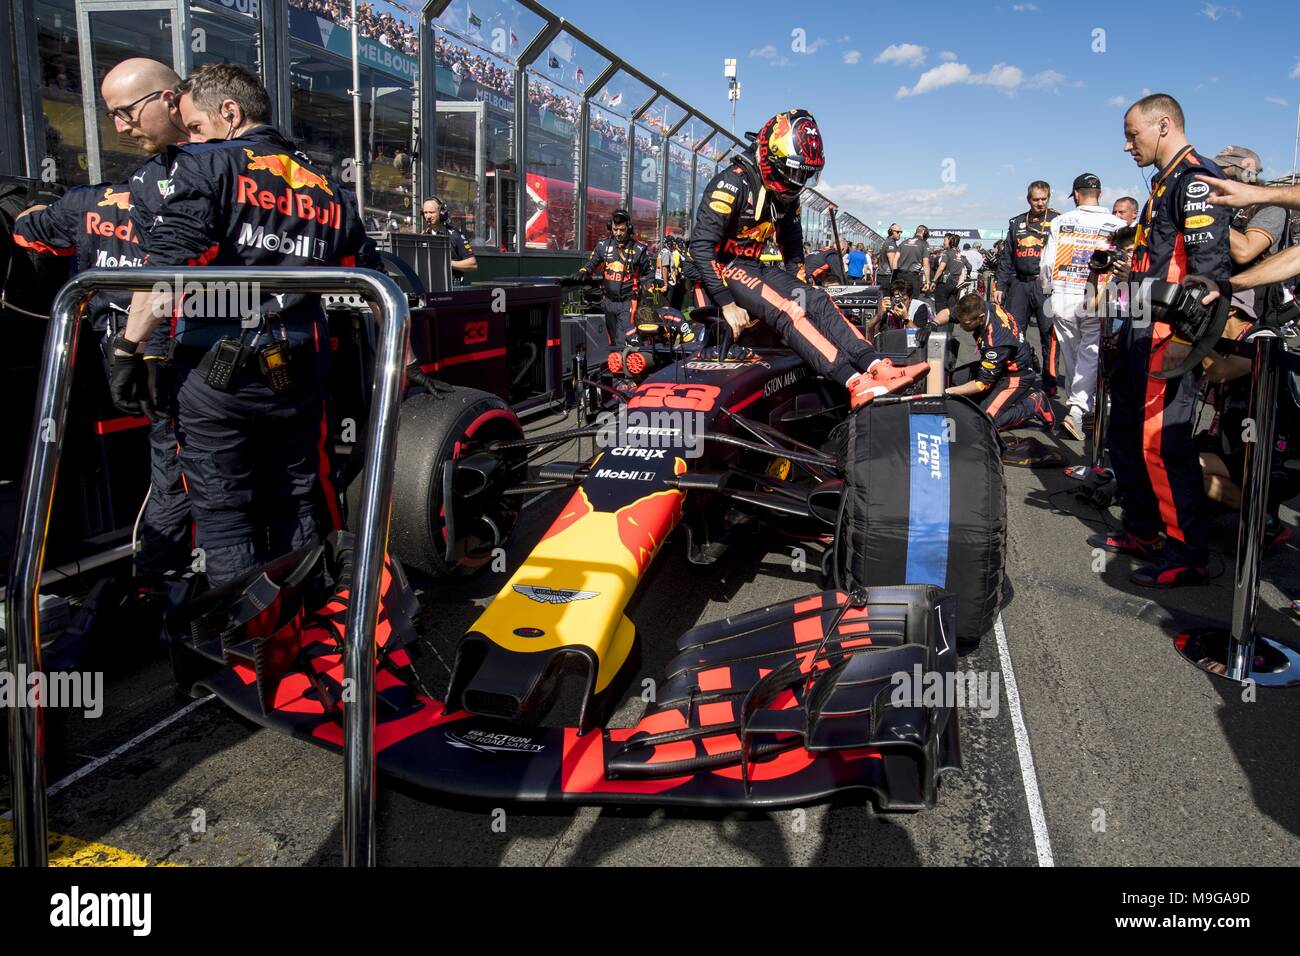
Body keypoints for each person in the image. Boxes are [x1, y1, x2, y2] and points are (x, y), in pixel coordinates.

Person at [112, 63, 382, 588]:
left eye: (194, 127)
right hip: (300, 360)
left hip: (218, 367)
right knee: (297, 491)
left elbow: (167, 269)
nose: (190, 139)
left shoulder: (206, 164)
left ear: (229, 114)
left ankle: (248, 648)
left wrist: (128, 348)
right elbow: (369, 279)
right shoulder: (325, 181)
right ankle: (303, 623)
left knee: (223, 508)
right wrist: (407, 366)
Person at [15, 57, 193, 582]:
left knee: (170, 464)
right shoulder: (181, 191)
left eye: (125, 113)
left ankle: (159, 580)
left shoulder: (83, 203)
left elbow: (28, 232)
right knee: (174, 465)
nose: (120, 126)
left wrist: (32, 211)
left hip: (129, 352)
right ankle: (165, 576)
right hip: (169, 347)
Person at [685, 108, 926, 408]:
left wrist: (801, 284)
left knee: (816, 300)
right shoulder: (732, 184)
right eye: (794, 171)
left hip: (753, 266)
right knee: (789, 311)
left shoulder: (785, 194)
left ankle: (876, 365)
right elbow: (701, 246)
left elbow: (793, 244)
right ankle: (855, 382)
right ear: (771, 157)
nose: (798, 180)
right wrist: (726, 303)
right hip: (722, 268)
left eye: (804, 174)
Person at [1088, 93, 1231, 589]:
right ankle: (1144, 530)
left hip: (1165, 337)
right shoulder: (1164, 181)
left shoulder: (1195, 179)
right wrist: (1117, 315)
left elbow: (1208, 275)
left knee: (1161, 445)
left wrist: (1180, 340)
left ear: (1164, 124)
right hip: (1139, 329)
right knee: (1125, 434)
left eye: (1133, 135)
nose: (1128, 145)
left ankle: (1187, 553)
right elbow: (1154, 267)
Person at [1039, 173, 1125, 440]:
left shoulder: (1061, 221)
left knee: (1072, 352)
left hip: (1063, 294)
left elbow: (1046, 264)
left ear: (1076, 194)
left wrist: (1047, 288)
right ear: (1099, 193)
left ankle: (1081, 405)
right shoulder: (1117, 223)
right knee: (1091, 351)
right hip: (1098, 294)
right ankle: (1082, 406)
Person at [945, 293, 1054, 431]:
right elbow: (949, 313)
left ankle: (1034, 404)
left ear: (980, 318)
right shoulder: (980, 306)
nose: (960, 326)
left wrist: (951, 391)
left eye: (965, 323)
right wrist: (932, 324)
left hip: (1016, 375)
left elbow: (982, 383)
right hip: (999, 364)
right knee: (953, 378)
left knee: (986, 422)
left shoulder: (996, 341)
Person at [995, 181, 1059, 393]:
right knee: (1014, 332)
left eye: (1044, 199)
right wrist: (1000, 285)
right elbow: (1007, 257)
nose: (1040, 203)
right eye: (1036, 199)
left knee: (1048, 333)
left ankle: (1050, 381)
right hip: (1020, 284)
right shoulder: (1017, 222)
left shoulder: (1059, 220)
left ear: (1049, 198)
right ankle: (1017, 375)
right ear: (1028, 199)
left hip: (1046, 286)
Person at [1214, 145, 1288, 322]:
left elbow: (1245, 251)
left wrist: (1206, 218)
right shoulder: (1222, 207)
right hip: (1215, 295)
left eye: (1222, 170)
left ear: (1246, 174)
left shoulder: (1271, 207)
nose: (1215, 176)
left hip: (1247, 309)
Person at [572, 209, 653, 347]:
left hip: (628, 302)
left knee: (625, 339)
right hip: (608, 301)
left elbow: (649, 272)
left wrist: (649, 283)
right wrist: (583, 272)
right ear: (611, 227)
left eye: (621, 229)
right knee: (613, 341)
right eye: (615, 229)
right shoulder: (602, 246)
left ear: (629, 227)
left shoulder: (639, 249)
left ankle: (628, 364)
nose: (618, 233)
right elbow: (591, 265)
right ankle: (616, 365)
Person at [421, 196, 476, 283]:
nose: (428, 216)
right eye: (425, 212)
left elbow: (472, 264)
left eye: (431, 212)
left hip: (451, 288)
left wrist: (447, 263)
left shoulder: (455, 236)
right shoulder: (423, 235)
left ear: (442, 213)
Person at [932, 233, 967, 318]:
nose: (943, 243)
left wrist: (933, 281)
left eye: (945, 240)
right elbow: (968, 267)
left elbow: (941, 268)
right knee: (951, 310)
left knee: (940, 308)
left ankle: (940, 330)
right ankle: (949, 331)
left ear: (950, 242)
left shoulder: (947, 253)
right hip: (955, 284)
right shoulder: (962, 256)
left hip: (944, 283)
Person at [894, 225, 930, 297]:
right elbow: (926, 264)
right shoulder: (924, 244)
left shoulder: (903, 242)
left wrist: (894, 276)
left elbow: (895, 260)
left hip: (900, 275)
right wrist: (927, 281)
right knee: (913, 302)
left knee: (899, 299)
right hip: (912, 277)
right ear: (924, 232)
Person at [877, 223, 901, 291]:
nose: (899, 234)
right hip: (887, 276)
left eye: (900, 232)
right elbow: (892, 263)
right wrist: (896, 279)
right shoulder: (891, 243)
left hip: (883, 275)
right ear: (891, 232)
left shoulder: (887, 241)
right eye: (898, 232)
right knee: (887, 300)